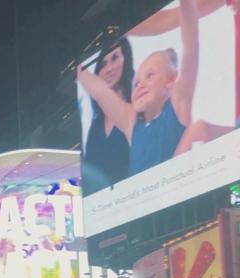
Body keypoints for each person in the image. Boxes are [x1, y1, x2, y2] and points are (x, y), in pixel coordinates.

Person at [78, 0, 199, 176]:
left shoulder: (178, 105)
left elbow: (191, 44)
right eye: (136, 83)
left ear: (171, 80)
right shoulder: (132, 122)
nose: (139, 84)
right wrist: (77, 70)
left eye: (149, 76)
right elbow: (100, 92)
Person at [81, 38, 134, 193]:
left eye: (114, 58)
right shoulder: (95, 126)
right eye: (103, 64)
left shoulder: (135, 110)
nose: (109, 69)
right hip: (103, 209)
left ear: (126, 59)